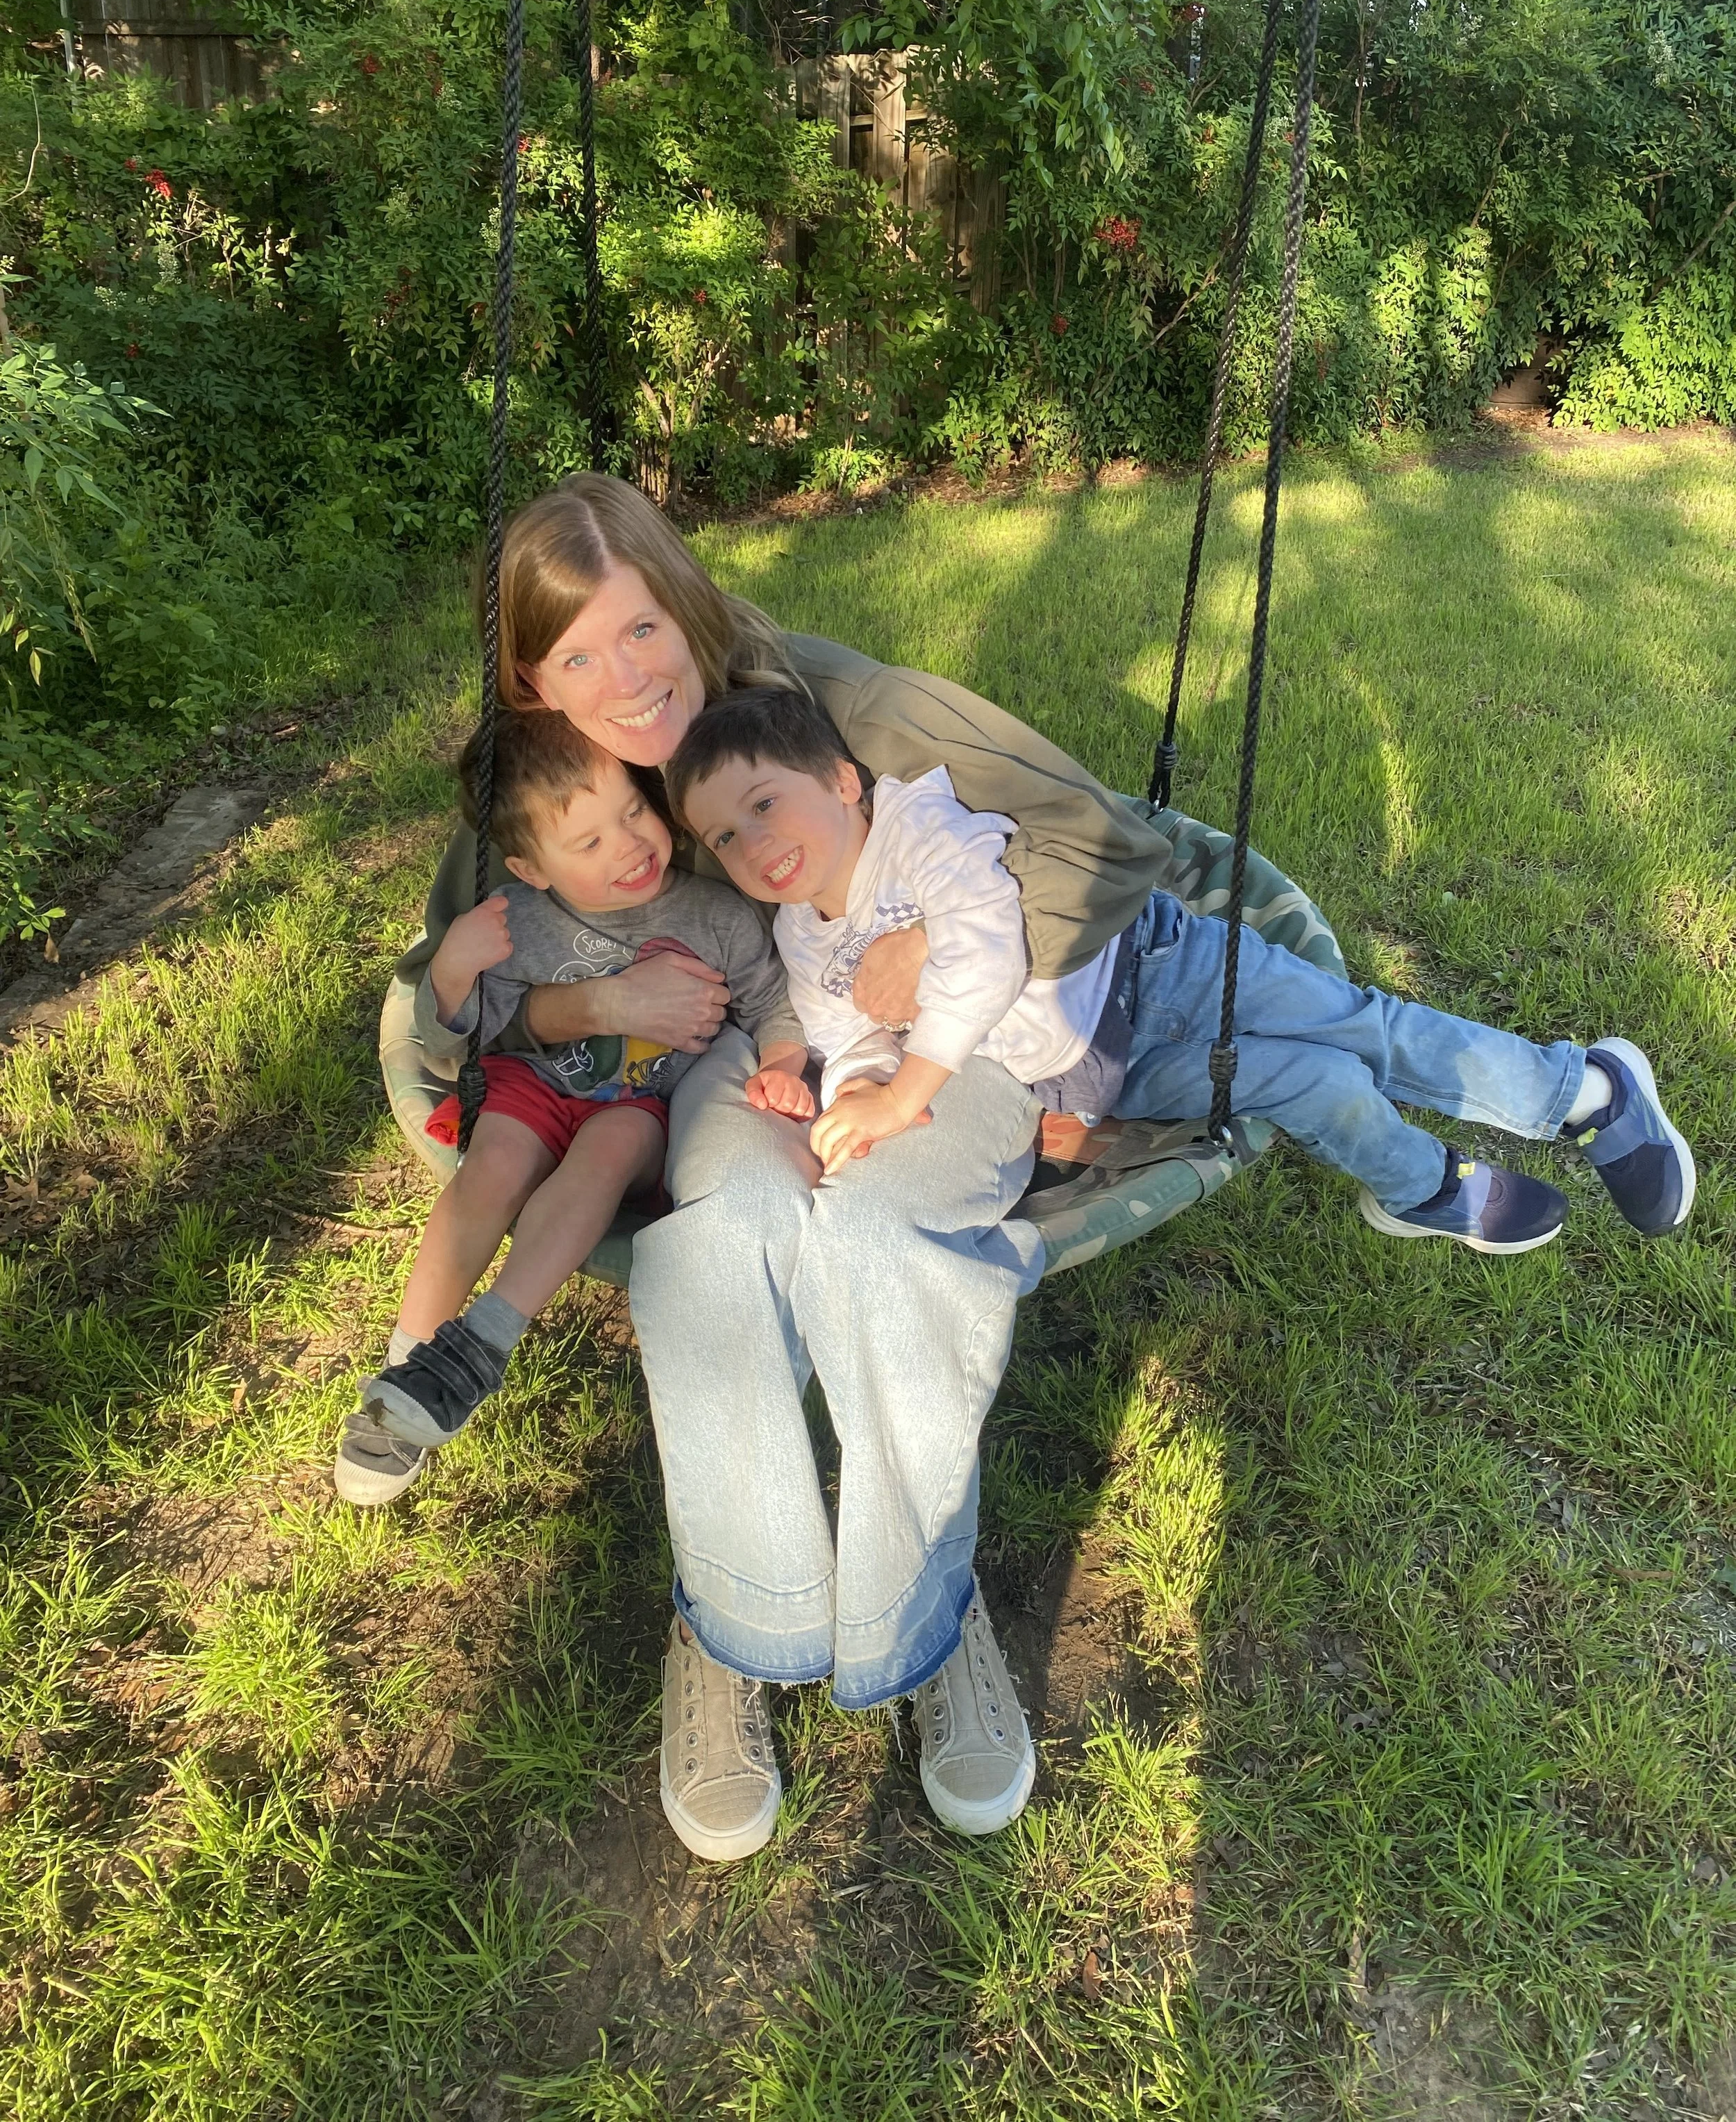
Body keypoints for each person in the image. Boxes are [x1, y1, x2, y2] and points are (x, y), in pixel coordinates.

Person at [351, 470, 1694, 1867]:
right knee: (733, 1221)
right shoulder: (550, 761)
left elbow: (1107, 841)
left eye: (639, 630)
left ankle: (924, 1621)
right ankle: (734, 1621)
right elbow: (462, 974)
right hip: (754, 1055)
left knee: (884, 1231)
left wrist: (924, 963)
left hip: (968, 1027)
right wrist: (575, 1014)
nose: (622, 682)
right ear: (530, 674)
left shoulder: (838, 713)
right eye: (576, 655)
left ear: (683, 598)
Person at [334, 708, 806, 1484]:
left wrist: (784, 1061)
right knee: (490, 1170)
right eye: (588, 842)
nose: (629, 847)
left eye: (632, 812)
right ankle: (405, 1384)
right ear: (532, 867)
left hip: (641, 1104)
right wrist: (453, 971)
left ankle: (487, 1335)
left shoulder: (715, 915)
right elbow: (454, 1052)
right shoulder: (515, 920)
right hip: (535, 1081)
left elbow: (772, 1003)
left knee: (609, 1147)